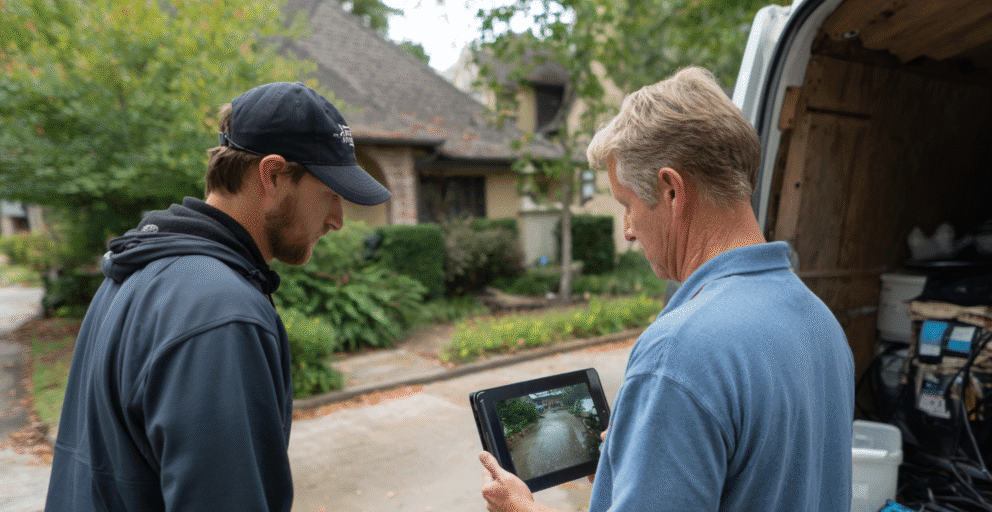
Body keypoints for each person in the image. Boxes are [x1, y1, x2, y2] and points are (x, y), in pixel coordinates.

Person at [479, 67, 854, 511]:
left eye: (627, 205)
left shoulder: (678, 353)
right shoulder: (820, 319)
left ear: (672, 190)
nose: (628, 232)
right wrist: (639, 466)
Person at [45, 82, 391, 511]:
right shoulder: (221, 312)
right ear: (272, 175)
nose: (337, 220)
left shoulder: (135, 275)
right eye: (331, 195)